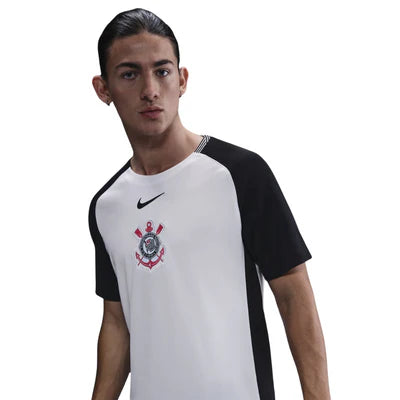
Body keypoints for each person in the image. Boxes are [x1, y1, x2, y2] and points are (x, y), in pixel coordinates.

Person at [88, 7, 331, 400]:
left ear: (182, 79)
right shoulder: (107, 206)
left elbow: (293, 292)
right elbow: (117, 321)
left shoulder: (240, 175)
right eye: (130, 74)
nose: (150, 89)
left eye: (162, 71)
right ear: (103, 89)